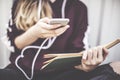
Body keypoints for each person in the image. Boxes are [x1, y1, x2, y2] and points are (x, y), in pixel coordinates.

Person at [0, 0, 120, 80]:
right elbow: (13, 44)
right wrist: (34, 33)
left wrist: (87, 65)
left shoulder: (78, 8)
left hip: (62, 74)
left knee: (117, 66)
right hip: (21, 71)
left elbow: (77, 51)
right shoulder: (22, 3)